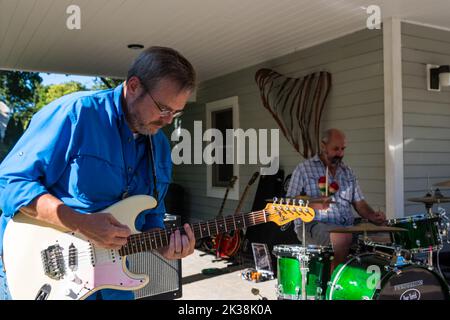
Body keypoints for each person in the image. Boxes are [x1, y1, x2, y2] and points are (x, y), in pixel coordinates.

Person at [0, 46, 197, 300]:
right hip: (42, 273)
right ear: (134, 86)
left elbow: (151, 219)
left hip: (115, 286)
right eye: (163, 108)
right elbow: (10, 183)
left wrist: (166, 247)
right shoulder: (76, 114)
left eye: (176, 112)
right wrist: (80, 222)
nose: (168, 120)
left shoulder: (158, 146)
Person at [286, 128, 386, 269]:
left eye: (343, 149)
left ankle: (369, 282)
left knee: (384, 235)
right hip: (312, 225)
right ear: (323, 146)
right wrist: (314, 204)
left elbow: (360, 203)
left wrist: (373, 216)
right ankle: (334, 285)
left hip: (347, 226)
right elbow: (289, 203)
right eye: (336, 149)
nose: (340, 153)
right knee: (342, 236)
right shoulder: (303, 170)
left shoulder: (347, 172)